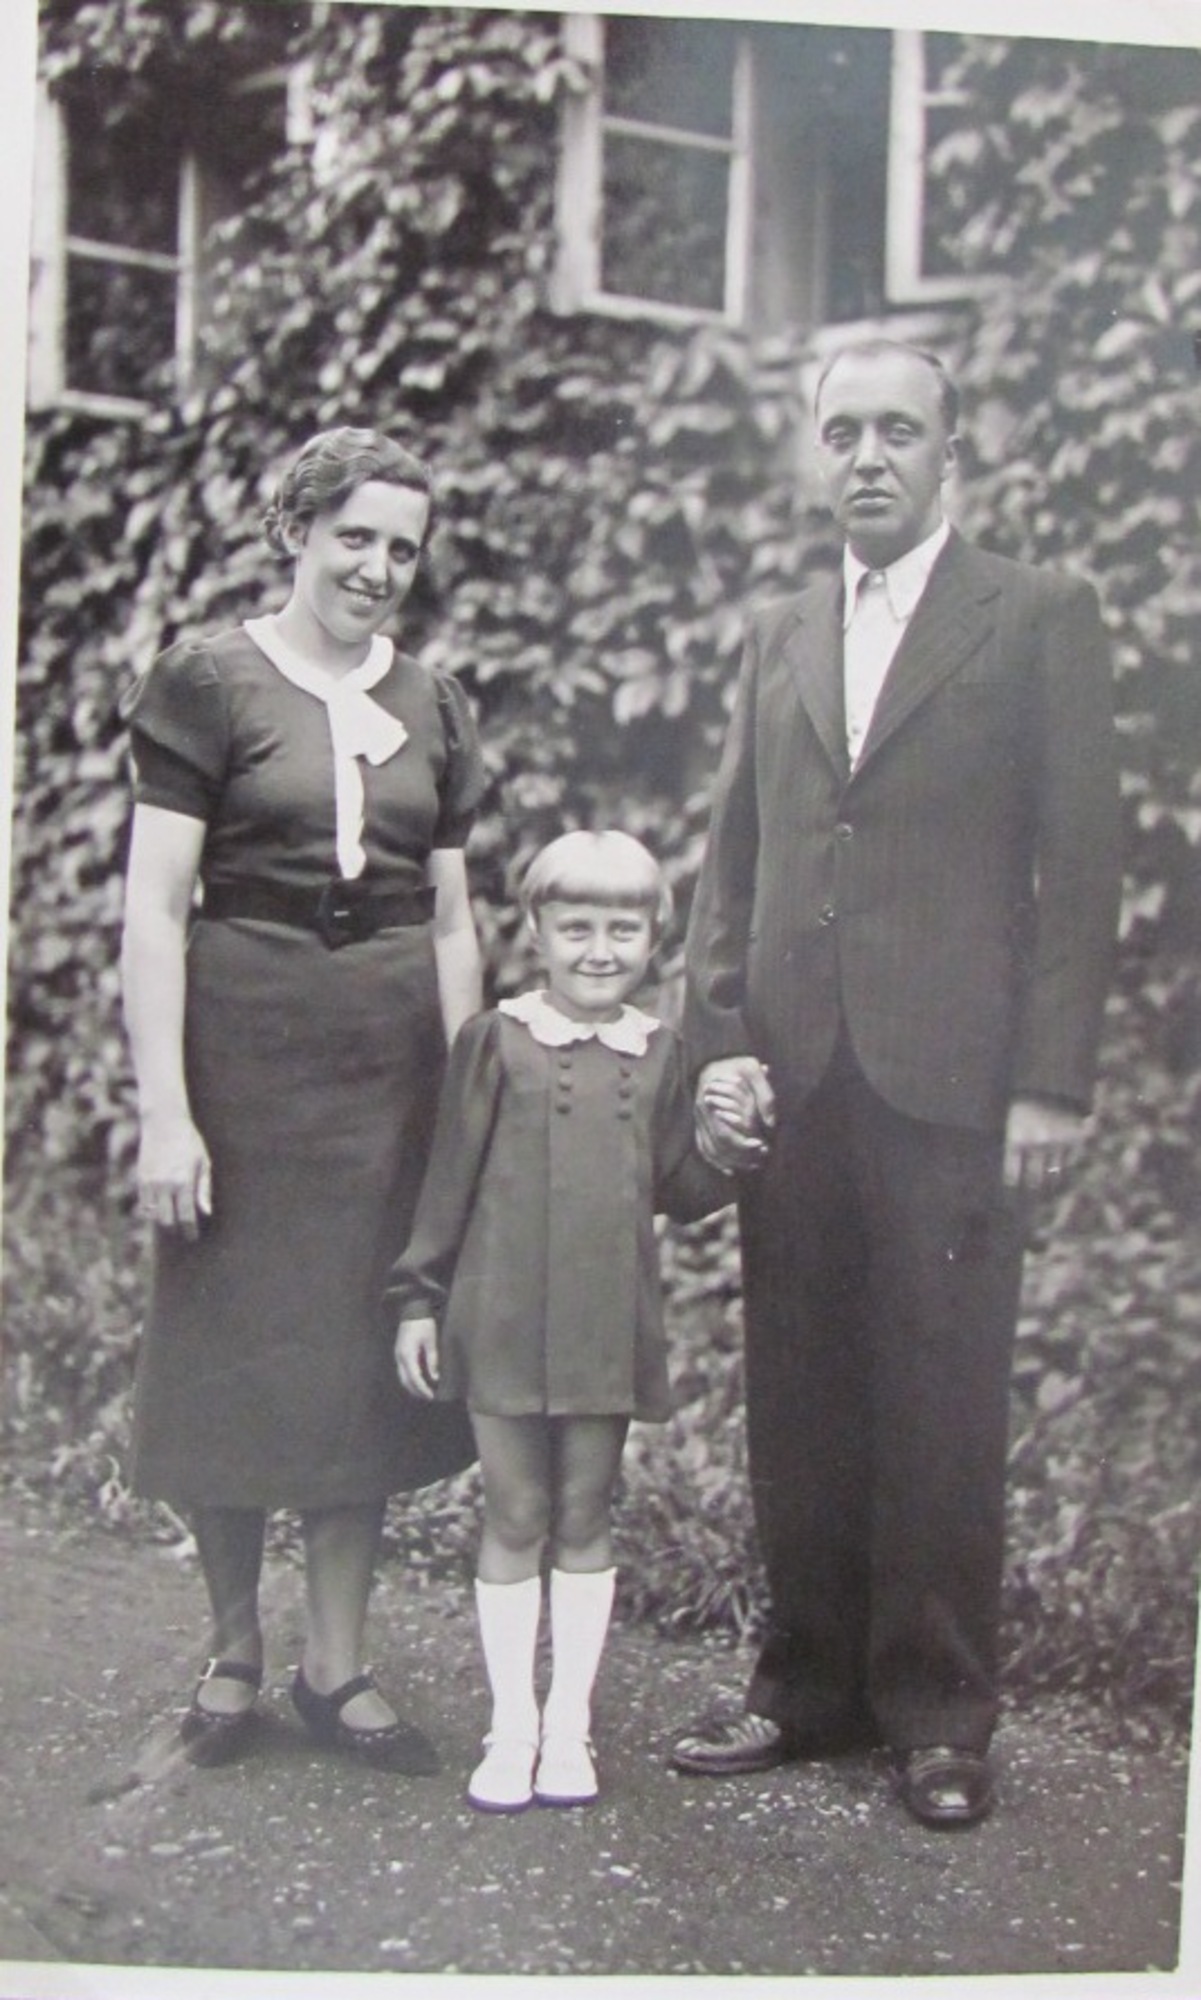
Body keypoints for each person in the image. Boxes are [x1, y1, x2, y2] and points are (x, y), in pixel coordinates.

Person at [675, 340, 1122, 1826]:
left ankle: (937, 1713)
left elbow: (1082, 869)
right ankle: (803, 1687)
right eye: (843, 432)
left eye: (898, 431)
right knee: (796, 1384)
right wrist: (720, 1044)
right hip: (795, 1069)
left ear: (949, 452)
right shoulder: (781, 630)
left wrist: (1050, 1082)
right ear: (815, 452)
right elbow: (731, 861)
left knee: (940, 1390)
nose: (867, 456)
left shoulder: (1036, 615)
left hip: (953, 1078)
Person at [121, 425, 487, 1773]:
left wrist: (465, 1107)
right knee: (226, 1339)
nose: (377, 567)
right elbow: (153, 911)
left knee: (356, 1347)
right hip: (242, 1047)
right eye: (355, 537)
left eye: (402, 548)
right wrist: (168, 1111)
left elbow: (451, 922)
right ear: (297, 532)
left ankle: (338, 1662)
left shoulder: (437, 704)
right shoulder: (209, 679)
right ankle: (234, 1652)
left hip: (386, 1068)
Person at [389, 831, 732, 1813]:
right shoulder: (494, 1041)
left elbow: (679, 1187)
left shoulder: (659, 1052)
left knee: (584, 1513)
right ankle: (511, 1725)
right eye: (575, 927)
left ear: (654, 939)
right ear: (535, 932)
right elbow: (446, 1182)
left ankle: (567, 1724)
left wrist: (733, 1151)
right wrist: (417, 1297)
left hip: (602, 1320)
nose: (597, 949)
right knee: (514, 1512)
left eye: (622, 929)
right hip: (496, 1313)